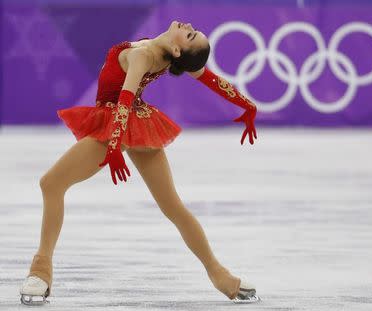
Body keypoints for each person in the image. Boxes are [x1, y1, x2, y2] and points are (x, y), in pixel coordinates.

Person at [19, 20, 259, 306]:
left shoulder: (144, 55)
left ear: (176, 49)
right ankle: (221, 276)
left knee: (51, 184)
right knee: (173, 206)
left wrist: (114, 144)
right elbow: (211, 79)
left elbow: (125, 97)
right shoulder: (163, 52)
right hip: (140, 121)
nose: (188, 26)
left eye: (190, 34)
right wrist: (249, 106)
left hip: (117, 120)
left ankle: (41, 271)